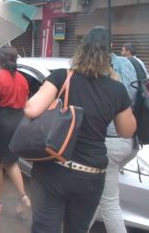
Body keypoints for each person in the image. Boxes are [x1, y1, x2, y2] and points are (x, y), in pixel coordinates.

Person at [24, 27, 137, 233]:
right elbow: (126, 131)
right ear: (108, 55)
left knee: (44, 228)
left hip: (54, 169)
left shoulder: (61, 77)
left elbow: (31, 110)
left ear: (81, 50)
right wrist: (119, 95)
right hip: (91, 176)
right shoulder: (117, 89)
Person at [88, 51, 139, 233]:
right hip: (132, 141)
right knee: (97, 196)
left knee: (109, 204)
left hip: (112, 142)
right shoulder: (132, 63)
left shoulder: (101, 74)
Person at [0, 47, 30, 214]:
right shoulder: (22, 79)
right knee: (8, 160)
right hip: (18, 122)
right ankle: (13, 199)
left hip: (1, 124)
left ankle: (1, 202)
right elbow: (25, 102)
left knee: (0, 162)